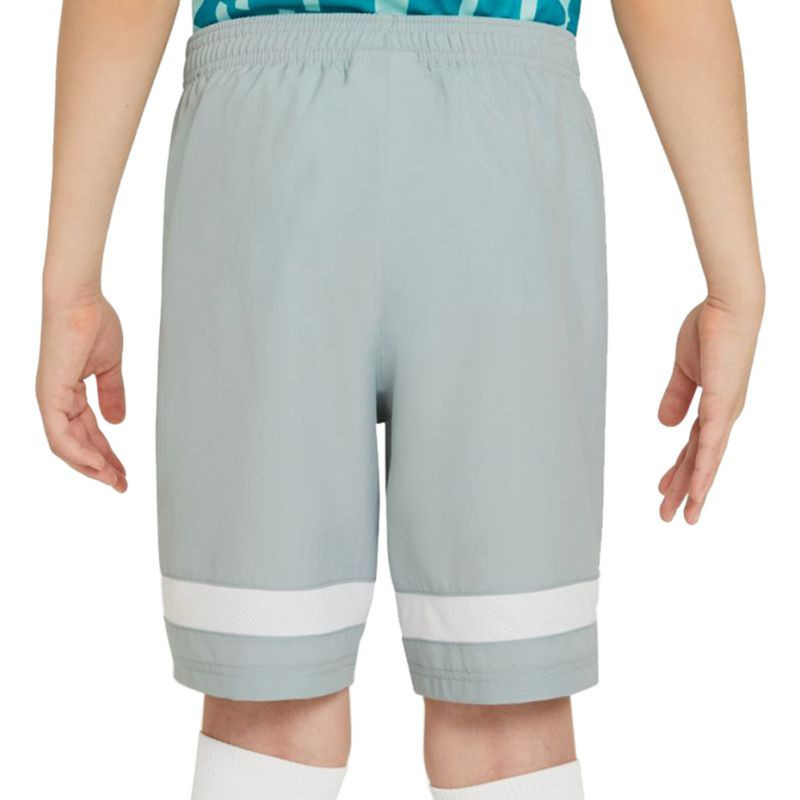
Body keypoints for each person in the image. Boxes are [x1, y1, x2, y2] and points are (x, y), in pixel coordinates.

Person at [36, 1, 764, 798]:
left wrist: (72, 287)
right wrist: (733, 284)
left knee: (269, 704)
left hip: (266, 159)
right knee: (506, 715)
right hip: (503, 163)